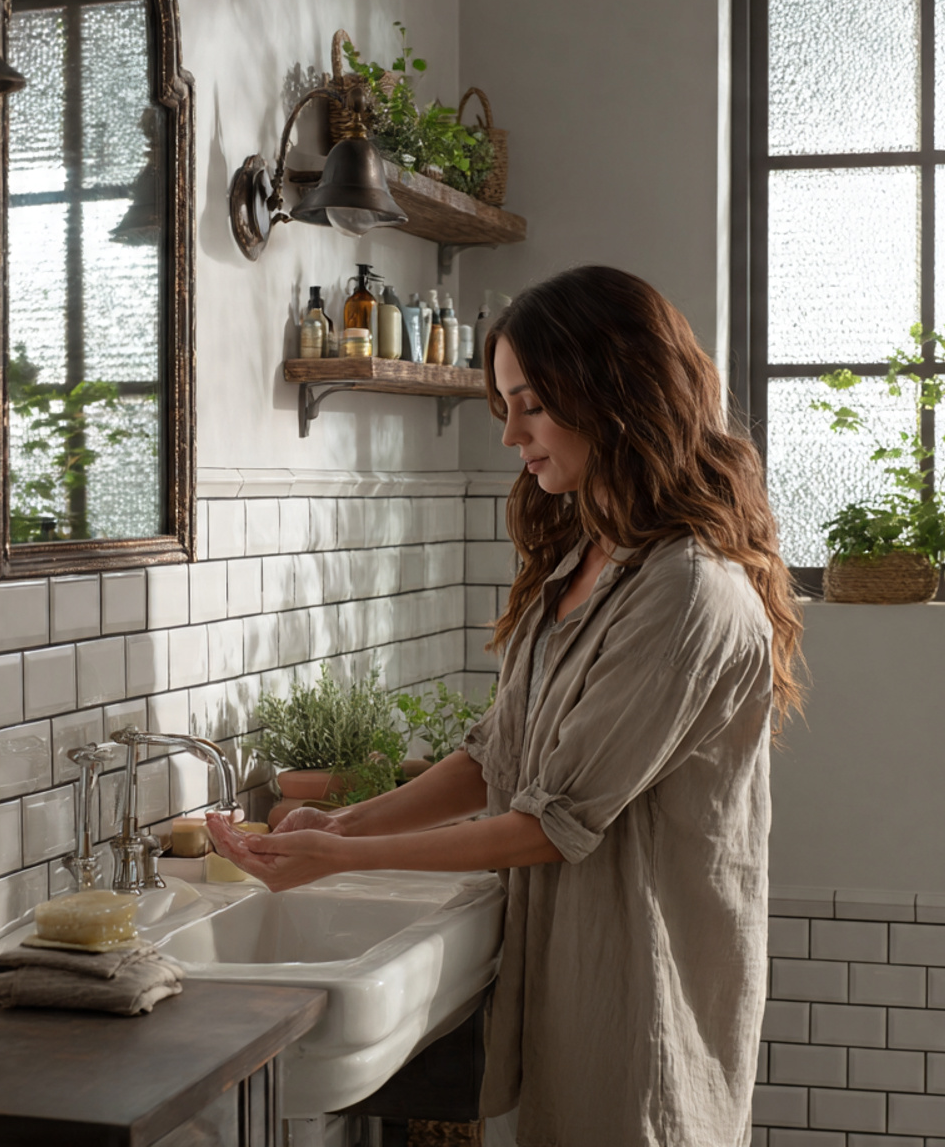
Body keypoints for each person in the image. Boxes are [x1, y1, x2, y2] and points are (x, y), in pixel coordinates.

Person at [207, 265, 804, 1147]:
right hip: (565, 981)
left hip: (638, 999)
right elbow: (497, 757)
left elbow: (548, 823)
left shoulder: (684, 591)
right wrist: (345, 830)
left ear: (612, 393)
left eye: (530, 405)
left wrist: (335, 863)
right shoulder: (585, 564)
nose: (511, 436)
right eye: (504, 407)